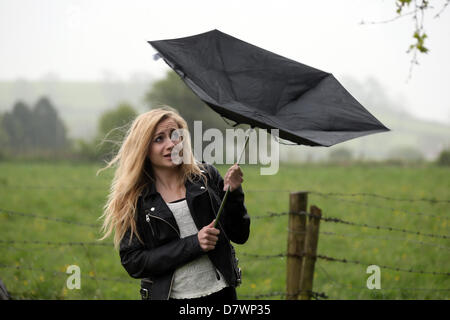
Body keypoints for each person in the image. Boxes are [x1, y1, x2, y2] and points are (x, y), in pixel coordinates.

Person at [99, 107, 250, 301]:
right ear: (144, 148)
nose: (171, 144)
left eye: (175, 135)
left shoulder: (206, 177)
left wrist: (234, 192)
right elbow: (134, 262)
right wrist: (195, 244)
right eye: (159, 139)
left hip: (222, 293)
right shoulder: (135, 199)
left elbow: (240, 234)